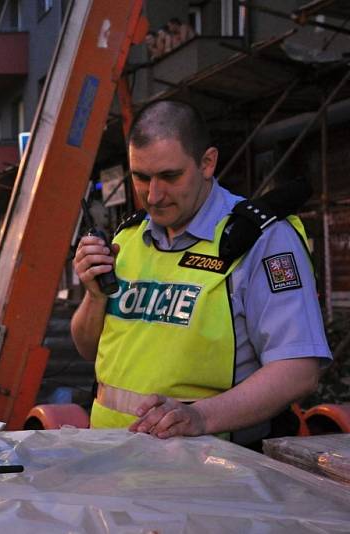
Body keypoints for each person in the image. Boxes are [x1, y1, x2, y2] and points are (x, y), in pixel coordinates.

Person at [71, 100, 330, 448]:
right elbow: (89, 350)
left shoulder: (261, 240)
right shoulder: (126, 239)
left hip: (212, 480)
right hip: (112, 467)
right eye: (141, 177)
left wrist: (201, 417)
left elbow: (299, 369)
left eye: (170, 176)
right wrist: (94, 295)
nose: (154, 195)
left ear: (207, 163)